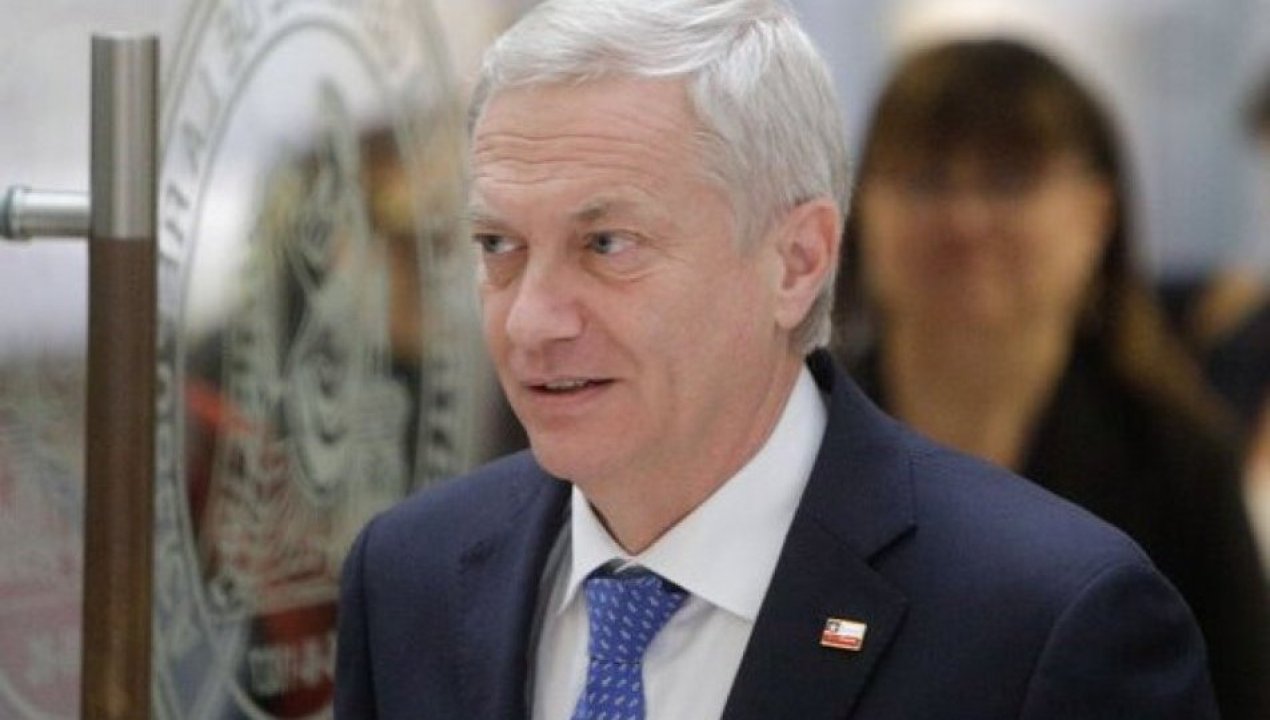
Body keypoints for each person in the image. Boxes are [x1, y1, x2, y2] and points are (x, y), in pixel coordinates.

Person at [336, 2, 1219, 717]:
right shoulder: (409, 576)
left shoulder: (1044, 619)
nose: (531, 320)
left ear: (796, 262)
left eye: (607, 244)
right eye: (498, 245)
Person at [833, 37, 1270, 719]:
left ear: (1098, 212)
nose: (965, 219)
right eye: (925, 179)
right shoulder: (796, 440)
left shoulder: (1176, 462)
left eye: (1009, 180)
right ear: (861, 209)